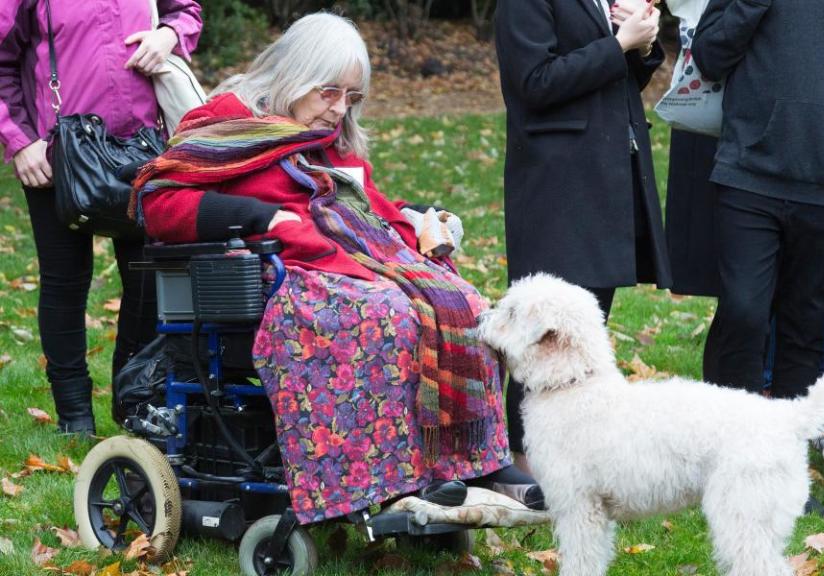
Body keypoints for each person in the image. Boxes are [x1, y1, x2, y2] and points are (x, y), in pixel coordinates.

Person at [134, 13, 542, 524]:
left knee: (464, 305)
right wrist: (263, 216)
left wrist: (414, 221)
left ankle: (477, 461)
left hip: (347, 257)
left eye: (352, 96)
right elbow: (159, 203)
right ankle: (389, 480)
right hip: (278, 272)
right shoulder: (224, 124)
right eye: (330, 92)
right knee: (388, 316)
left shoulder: (324, 136)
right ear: (295, 76)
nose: (339, 108)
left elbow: (365, 202)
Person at [691, 0, 824, 401]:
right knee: (743, 314)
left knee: (804, 325)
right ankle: (727, 444)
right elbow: (707, 57)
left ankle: (786, 452)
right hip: (749, 175)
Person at [0, 0, 202, 434]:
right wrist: (19, 141)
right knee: (65, 281)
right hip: (58, 156)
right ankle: (75, 417)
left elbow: (186, 12)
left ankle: (135, 401)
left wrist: (169, 34)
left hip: (145, 150)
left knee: (148, 281)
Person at [494, 0, 672, 471]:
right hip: (558, 187)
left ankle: (571, 455)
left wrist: (642, 45)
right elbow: (533, 83)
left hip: (605, 176)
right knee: (542, 332)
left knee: (585, 329)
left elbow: (614, 81)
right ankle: (521, 464)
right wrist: (619, 44)